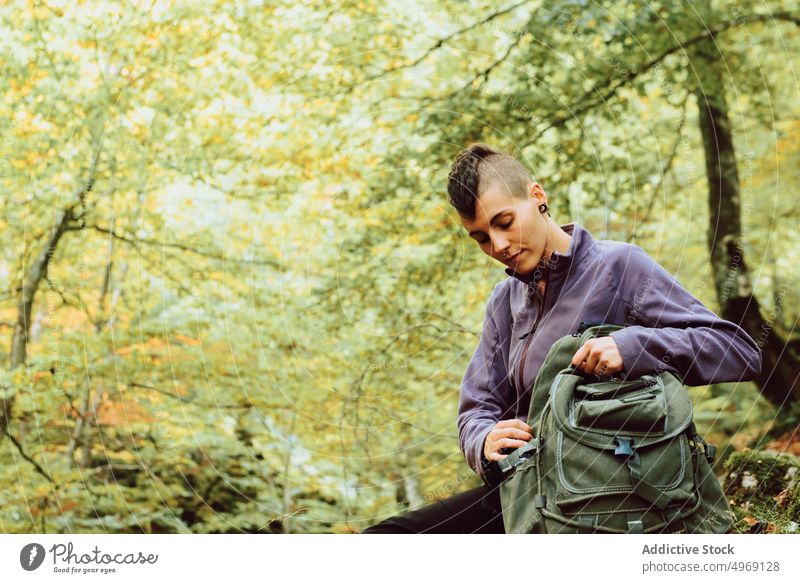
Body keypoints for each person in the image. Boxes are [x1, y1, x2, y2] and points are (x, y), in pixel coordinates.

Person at [361, 144, 761, 534]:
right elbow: (477, 407)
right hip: (526, 491)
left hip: (616, 493)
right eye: (481, 238)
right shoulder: (505, 301)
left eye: (503, 223)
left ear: (537, 196)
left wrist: (633, 347)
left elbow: (738, 351)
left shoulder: (618, 267)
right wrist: (484, 439)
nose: (497, 247)